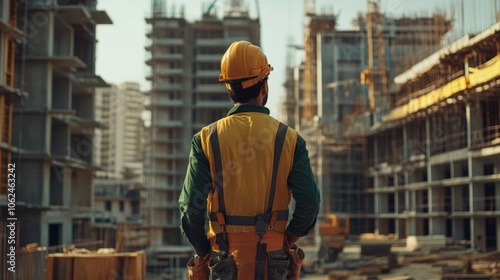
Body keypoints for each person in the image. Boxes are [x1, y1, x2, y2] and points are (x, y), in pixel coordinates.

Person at [179, 40, 320, 279]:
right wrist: (287, 238)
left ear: (228, 88)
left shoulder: (206, 139)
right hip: (274, 260)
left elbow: (191, 209)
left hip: (224, 260)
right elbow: (309, 203)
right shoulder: (290, 139)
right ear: (264, 85)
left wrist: (204, 251)